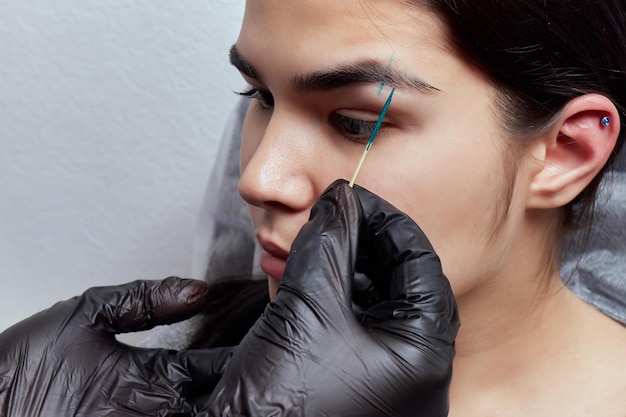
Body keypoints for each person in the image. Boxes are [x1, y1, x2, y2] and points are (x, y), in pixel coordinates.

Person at [2, 0, 626, 415]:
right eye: (260, 94)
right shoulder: (179, 368)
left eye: (354, 123)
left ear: (566, 152)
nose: (258, 178)